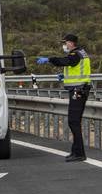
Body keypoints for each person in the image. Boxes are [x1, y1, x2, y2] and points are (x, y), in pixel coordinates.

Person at [36, 33, 91, 162]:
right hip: (79, 90)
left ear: (71, 43)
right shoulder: (81, 53)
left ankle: (79, 153)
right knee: (74, 122)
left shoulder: (75, 54)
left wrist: (49, 59)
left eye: (65, 43)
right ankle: (76, 152)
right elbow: (75, 69)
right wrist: (64, 76)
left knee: (73, 121)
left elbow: (65, 61)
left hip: (78, 91)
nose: (64, 45)